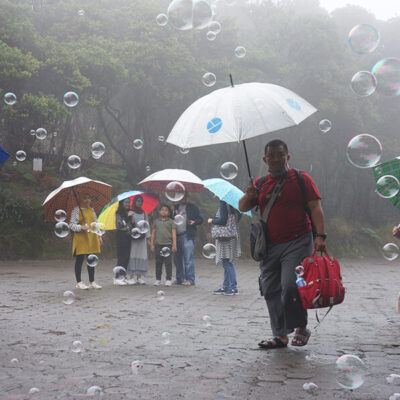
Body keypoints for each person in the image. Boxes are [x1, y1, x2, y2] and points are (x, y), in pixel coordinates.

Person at [239, 139, 326, 349]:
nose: (276, 159)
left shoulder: (300, 178)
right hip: (268, 244)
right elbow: (243, 207)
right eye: (271, 155)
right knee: (270, 288)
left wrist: (321, 236)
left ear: (287, 156)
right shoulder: (259, 183)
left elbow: (315, 207)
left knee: (290, 286)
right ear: (264, 159)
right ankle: (280, 335)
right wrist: (248, 195)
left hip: (298, 240)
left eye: (280, 154)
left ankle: (301, 326)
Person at [69, 193, 103, 290]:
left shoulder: (91, 210)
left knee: (91, 260)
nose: (87, 200)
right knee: (79, 260)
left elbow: (96, 224)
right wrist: (81, 227)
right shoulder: (76, 210)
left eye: (89, 198)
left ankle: (92, 282)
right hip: (81, 239)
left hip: (92, 237)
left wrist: (99, 235)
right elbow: (71, 225)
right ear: (80, 200)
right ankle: (79, 282)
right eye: (84, 198)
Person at [208, 200, 241, 296]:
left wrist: (212, 220)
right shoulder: (233, 204)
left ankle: (233, 288)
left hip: (224, 237)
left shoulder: (223, 203)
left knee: (227, 262)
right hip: (231, 236)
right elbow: (239, 216)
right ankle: (226, 286)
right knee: (226, 261)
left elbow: (222, 220)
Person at [172, 193, 203, 286]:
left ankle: (190, 279)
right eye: (181, 197)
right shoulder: (175, 207)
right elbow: (170, 219)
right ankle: (179, 278)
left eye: (185, 197)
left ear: (188, 198)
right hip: (175, 236)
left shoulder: (193, 207)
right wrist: (171, 211)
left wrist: (194, 222)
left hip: (187, 235)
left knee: (188, 258)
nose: (183, 198)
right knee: (177, 259)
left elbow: (200, 219)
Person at [150, 204, 177, 286]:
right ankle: (158, 279)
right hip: (158, 244)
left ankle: (168, 279)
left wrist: (174, 245)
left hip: (168, 244)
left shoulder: (171, 222)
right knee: (158, 262)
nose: (164, 211)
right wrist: (152, 244)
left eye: (166, 210)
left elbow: (173, 234)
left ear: (169, 213)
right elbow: (153, 233)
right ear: (159, 211)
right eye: (162, 210)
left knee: (168, 263)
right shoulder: (156, 222)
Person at [126, 195, 150, 285]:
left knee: (141, 255)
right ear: (135, 202)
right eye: (138, 201)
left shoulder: (144, 213)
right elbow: (128, 224)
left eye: (141, 201)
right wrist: (131, 217)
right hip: (133, 237)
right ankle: (131, 277)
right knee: (133, 254)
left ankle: (139, 277)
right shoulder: (130, 212)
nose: (139, 203)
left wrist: (148, 238)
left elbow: (147, 225)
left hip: (142, 238)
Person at [114, 198, 133, 285]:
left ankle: (123, 277)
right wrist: (128, 217)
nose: (127, 204)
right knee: (121, 257)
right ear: (122, 203)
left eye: (128, 203)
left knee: (126, 257)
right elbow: (119, 224)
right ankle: (117, 278)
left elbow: (131, 225)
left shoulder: (129, 212)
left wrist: (132, 219)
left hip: (128, 236)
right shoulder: (118, 213)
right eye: (125, 202)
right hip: (121, 236)